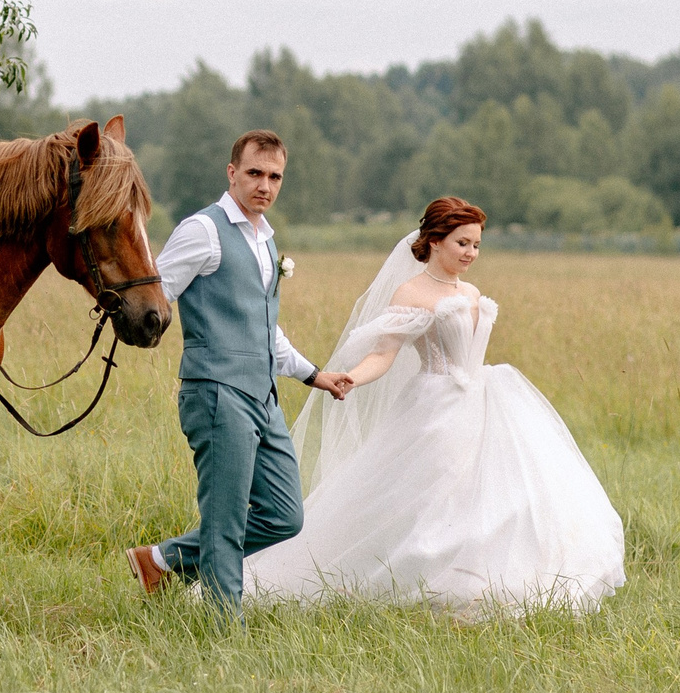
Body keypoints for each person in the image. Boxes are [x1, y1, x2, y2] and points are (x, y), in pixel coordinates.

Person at [241, 196, 627, 617]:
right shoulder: (411, 293)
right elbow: (385, 354)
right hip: (437, 403)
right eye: (462, 243)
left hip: (487, 397)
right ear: (436, 240)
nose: (471, 254)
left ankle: (481, 582)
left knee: (502, 495)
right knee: (435, 496)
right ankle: (429, 582)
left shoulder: (472, 291)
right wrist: (353, 377)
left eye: (477, 245)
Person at [124, 130, 351, 611]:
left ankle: (161, 561)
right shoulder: (203, 230)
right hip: (216, 393)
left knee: (286, 514)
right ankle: (226, 634)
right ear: (232, 173)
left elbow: (265, 327)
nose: (264, 185)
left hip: (262, 396)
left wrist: (314, 375)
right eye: (254, 173)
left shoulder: (266, 241)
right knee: (225, 521)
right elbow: (154, 296)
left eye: (274, 177)